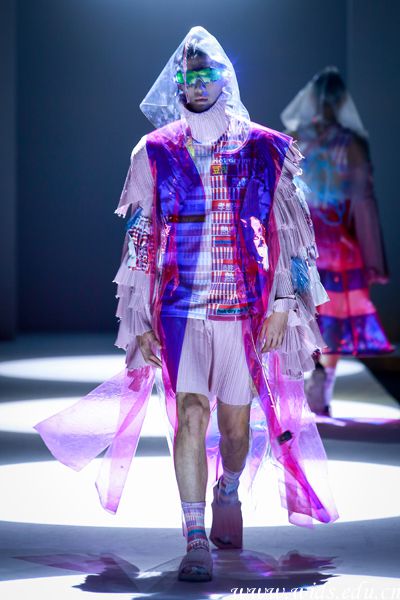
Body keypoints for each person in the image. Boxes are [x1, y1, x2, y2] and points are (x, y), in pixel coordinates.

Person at [34, 28, 338, 583]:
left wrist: (282, 304)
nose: (197, 85)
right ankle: (195, 536)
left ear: (225, 79)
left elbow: (293, 235)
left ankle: (228, 488)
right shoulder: (154, 150)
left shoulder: (265, 147)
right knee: (191, 413)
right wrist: (139, 319)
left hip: (244, 308)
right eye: (187, 76)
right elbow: (140, 237)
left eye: (207, 75)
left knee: (236, 427)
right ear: (178, 84)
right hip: (178, 306)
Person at [281, 67, 393, 416]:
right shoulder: (351, 145)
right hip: (337, 242)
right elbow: (363, 203)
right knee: (331, 315)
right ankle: (321, 385)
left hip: (301, 238)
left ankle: (308, 382)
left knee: (303, 309)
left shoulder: (294, 139)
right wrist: (373, 257)